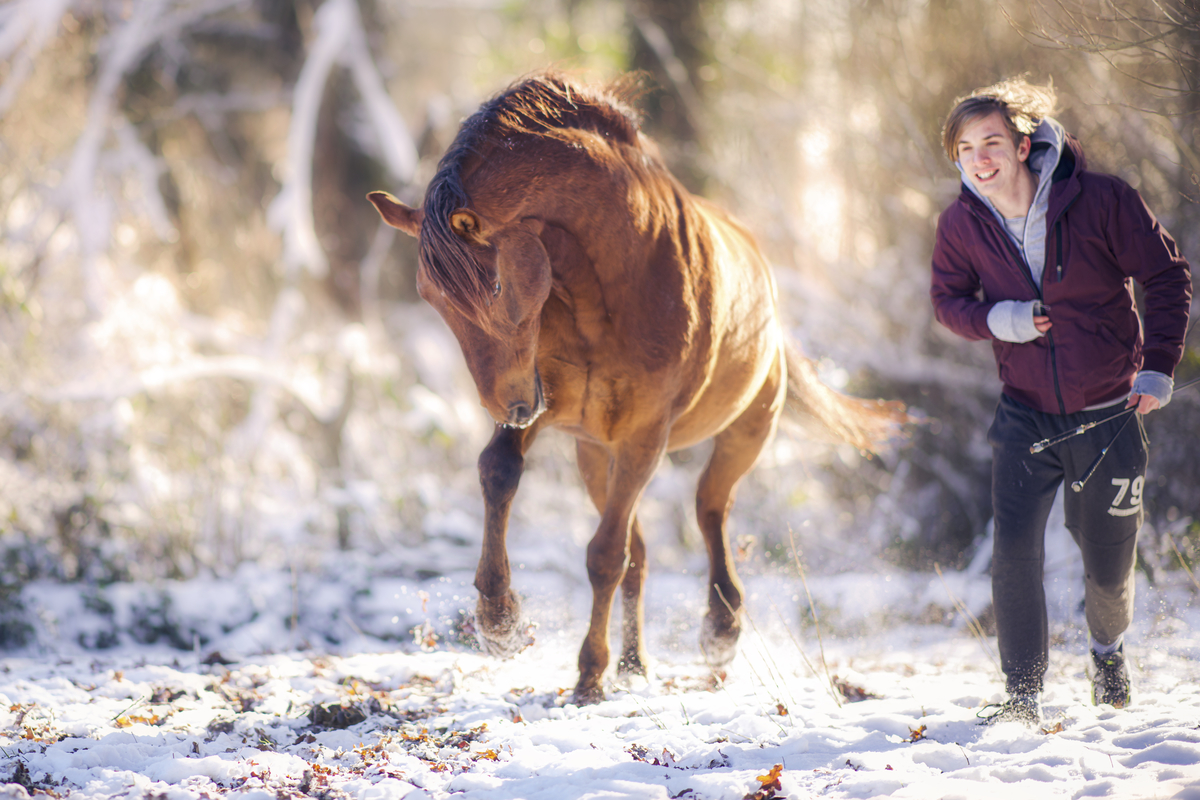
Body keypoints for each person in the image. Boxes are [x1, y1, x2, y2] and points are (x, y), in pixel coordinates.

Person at [930, 78, 1193, 726]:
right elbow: (947, 303)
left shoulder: (1101, 200)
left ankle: (1106, 650)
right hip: (1023, 410)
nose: (980, 158)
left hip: (1110, 409)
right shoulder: (962, 224)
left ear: (1023, 144)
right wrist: (1005, 319)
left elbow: (1165, 277)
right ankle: (1022, 694)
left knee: (1105, 557)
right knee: (1014, 550)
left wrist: (1158, 366)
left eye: (991, 141)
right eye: (966, 149)